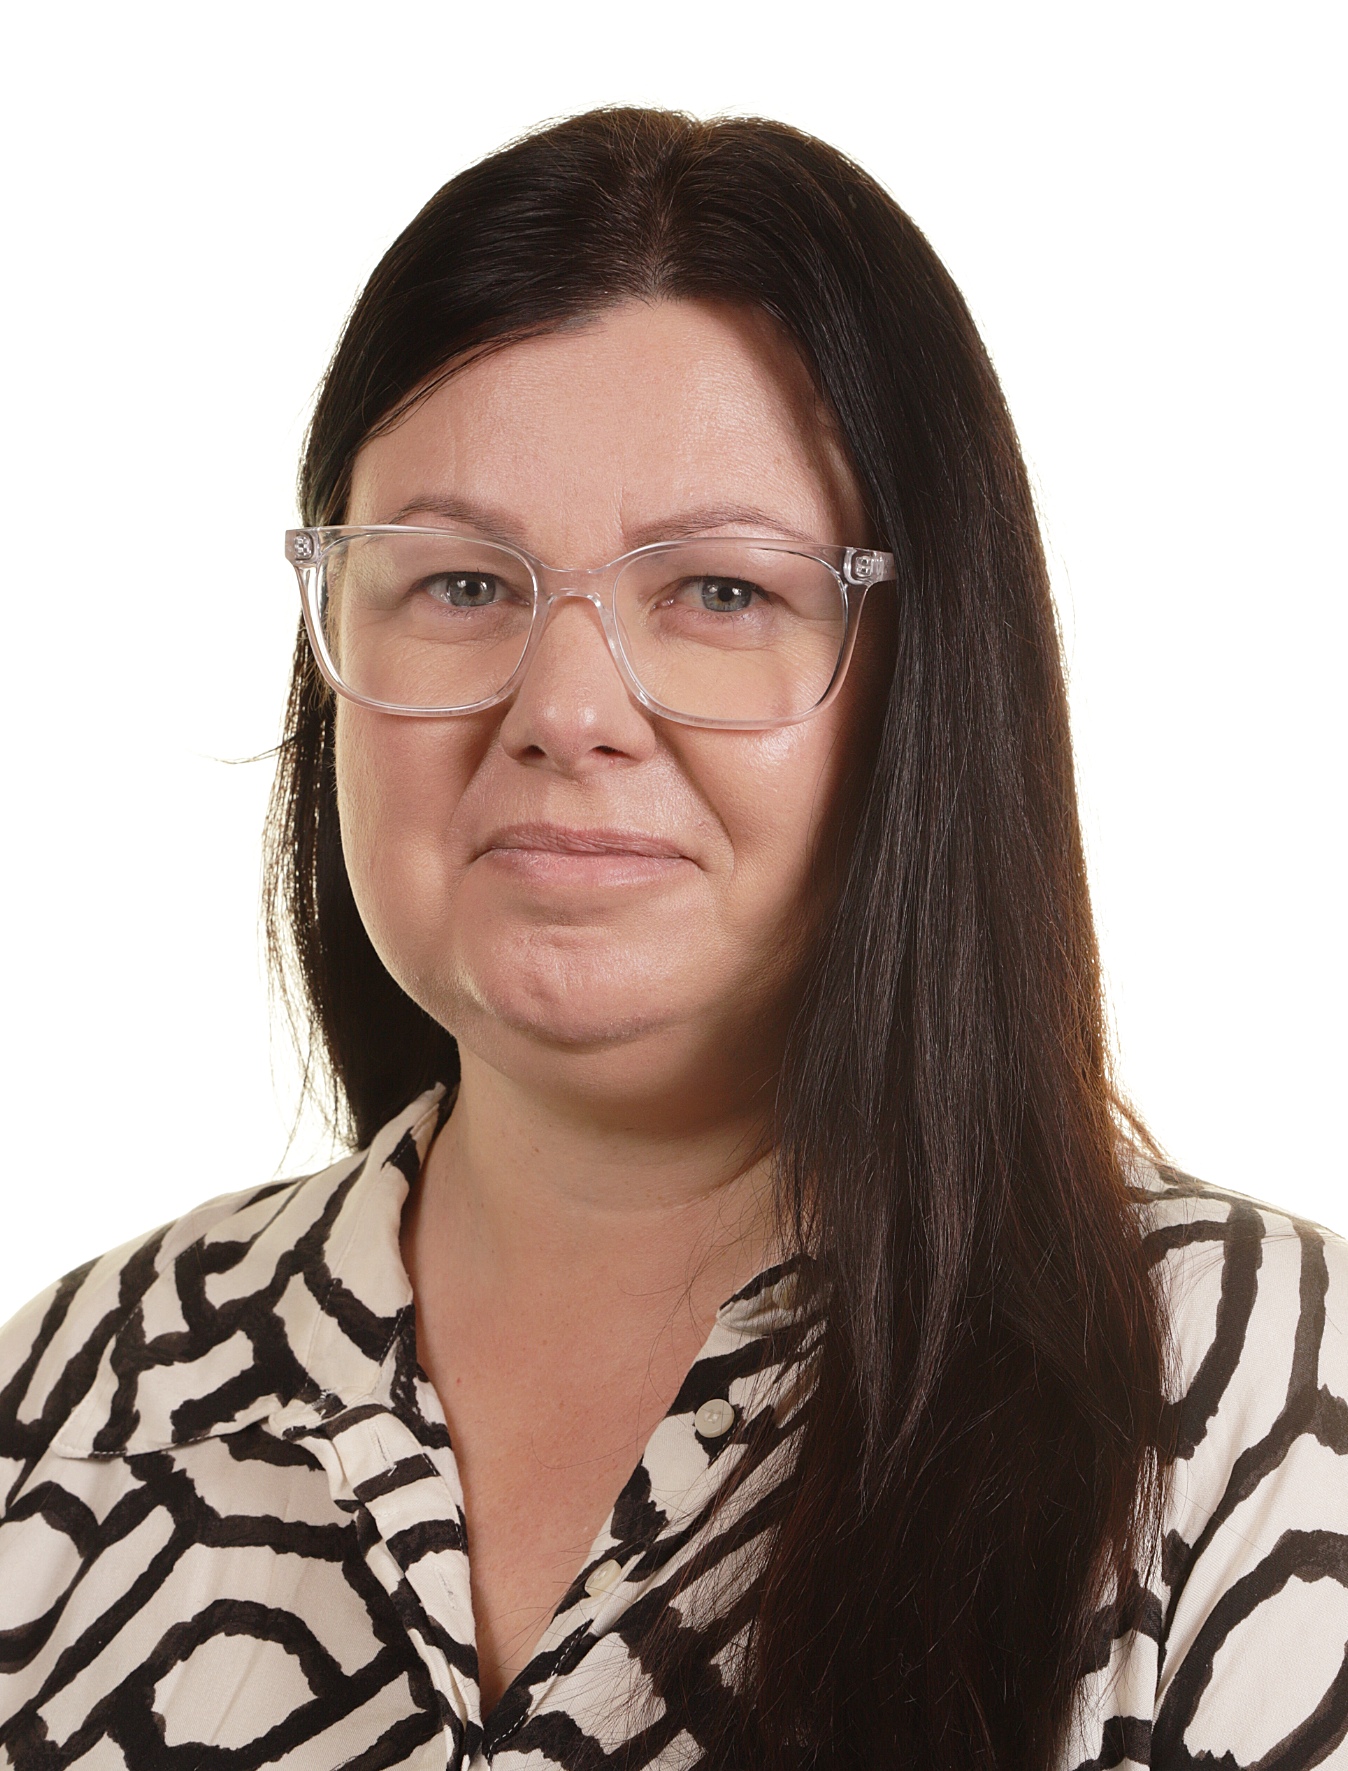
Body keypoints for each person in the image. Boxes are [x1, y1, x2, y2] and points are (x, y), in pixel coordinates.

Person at [0, 107, 1344, 1771]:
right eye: (461, 584)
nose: (567, 711)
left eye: (720, 591)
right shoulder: (65, 1417)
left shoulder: (1252, 1410)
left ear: (928, 679)